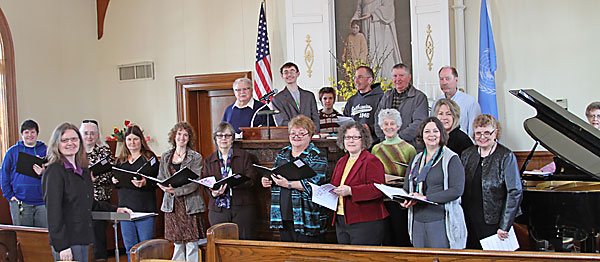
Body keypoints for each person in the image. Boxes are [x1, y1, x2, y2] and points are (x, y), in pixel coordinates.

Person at [43, 122, 131, 262]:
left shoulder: (83, 170)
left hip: (83, 236)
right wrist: (62, 246)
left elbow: (89, 202)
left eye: (74, 139)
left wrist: (116, 209)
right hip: (68, 240)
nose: (70, 143)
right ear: (56, 144)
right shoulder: (54, 171)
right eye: (65, 140)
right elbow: (53, 212)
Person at [261, 115, 328, 242]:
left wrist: (288, 184)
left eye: (301, 133)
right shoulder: (283, 153)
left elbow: (316, 185)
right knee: (288, 253)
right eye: (293, 133)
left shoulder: (316, 156)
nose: (296, 136)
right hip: (284, 212)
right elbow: (274, 173)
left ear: (310, 135)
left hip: (307, 214)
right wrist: (267, 180)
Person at [401, 117, 466, 249]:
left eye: (435, 131)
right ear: (422, 135)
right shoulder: (416, 160)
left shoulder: (451, 158)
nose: (431, 135)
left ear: (441, 134)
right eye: (427, 131)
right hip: (417, 221)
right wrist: (404, 199)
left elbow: (456, 190)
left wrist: (426, 198)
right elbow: (407, 187)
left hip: (441, 221)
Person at [461, 114, 522, 249]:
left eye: (487, 132)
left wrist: (504, 226)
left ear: (496, 133)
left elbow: (514, 192)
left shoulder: (506, 156)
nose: (482, 137)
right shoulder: (467, 154)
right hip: (469, 220)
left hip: (494, 223)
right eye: (478, 133)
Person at [331, 122, 388, 245]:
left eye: (355, 137)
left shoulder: (371, 161)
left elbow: (378, 189)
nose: (351, 141)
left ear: (363, 140)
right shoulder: (342, 161)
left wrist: (351, 191)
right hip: (341, 219)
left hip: (365, 222)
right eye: (347, 137)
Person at [157, 122, 206, 262]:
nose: (182, 138)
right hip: (171, 206)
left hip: (190, 204)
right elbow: (161, 177)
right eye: (179, 134)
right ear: (174, 136)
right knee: (177, 244)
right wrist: (164, 187)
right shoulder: (166, 156)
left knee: (191, 244)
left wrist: (176, 190)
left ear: (189, 138)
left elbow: (195, 183)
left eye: (186, 135)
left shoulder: (195, 157)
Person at [201, 122, 258, 240]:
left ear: (232, 138)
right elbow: (205, 184)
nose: (223, 139)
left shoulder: (244, 156)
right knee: (220, 244)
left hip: (242, 206)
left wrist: (234, 184)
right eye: (220, 135)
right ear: (215, 139)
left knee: (244, 242)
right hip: (218, 209)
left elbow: (252, 179)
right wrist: (213, 193)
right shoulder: (209, 160)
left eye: (227, 135)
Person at [111, 125, 158, 259]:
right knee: (129, 248)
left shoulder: (149, 158)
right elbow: (116, 182)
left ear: (141, 140)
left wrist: (145, 183)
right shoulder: (121, 160)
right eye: (129, 139)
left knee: (145, 248)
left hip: (145, 209)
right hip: (126, 209)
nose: (132, 142)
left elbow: (157, 181)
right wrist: (114, 181)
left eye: (135, 139)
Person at [371, 109, 416, 246]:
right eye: (386, 124)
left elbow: (413, 176)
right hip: (382, 199)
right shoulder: (375, 149)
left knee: (401, 237)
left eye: (392, 123)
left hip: (401, 201)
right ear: (381, 126)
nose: (389, 127)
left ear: (398, 126)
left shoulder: (409, 148)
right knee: (385, 238)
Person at [1, 119, 48, 227]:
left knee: (42, 237)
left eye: (32, 132)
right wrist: (9, 195)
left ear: (37, 133)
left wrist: (43, 172)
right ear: (22, 134)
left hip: (42, 202)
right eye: (26, 132)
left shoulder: (46, 150)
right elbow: (4, 174)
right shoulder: (12, 152)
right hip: (20, 201)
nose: (29, 135)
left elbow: (54, 174)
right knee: (23, 237)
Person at [79, 119, 114, 261]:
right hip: (80, 200)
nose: (89, 137)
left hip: (100, 199)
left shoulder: (104, 151)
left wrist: (95, 180)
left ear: (98, 134)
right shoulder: (76, 151)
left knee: (98, 234)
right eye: (86, 133)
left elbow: (110, 173)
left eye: (92, 133)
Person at [374, 64, 428, 148]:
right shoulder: (387, 96)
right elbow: (378, 119)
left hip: (411, 147)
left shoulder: (419, 97)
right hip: (387, 147)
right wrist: (386, 139)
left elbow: (419, 123)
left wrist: (397, 139)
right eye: (395, 76)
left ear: (409, 77)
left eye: (401, 76)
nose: (398, 79)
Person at [351, 0, 402, 80]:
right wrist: (355, 18)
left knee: (380, 51)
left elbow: (388, 8)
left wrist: (372, 14)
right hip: (366, 24)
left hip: (380, 25)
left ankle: (382, 80)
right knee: (368, 52)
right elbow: (359, 9)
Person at [430, 66, 481, 137]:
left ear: (456, 80)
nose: (444, 82)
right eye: (441, 79)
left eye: (447, 79)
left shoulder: (470, 102)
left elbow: (474, 132)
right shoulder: (436, 103)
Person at [271, 62, 320, 132]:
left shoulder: (309, 96)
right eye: (286, 72)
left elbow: (315, 119)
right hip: (291, 137)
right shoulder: (277, 99)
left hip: (310, 136)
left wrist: (313, 134)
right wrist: (299, 133)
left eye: (292, 71)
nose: (289, 74)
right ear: (282, 76)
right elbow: (282, 122)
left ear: (298, 74)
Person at [343, 66, 384, 143]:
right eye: (355, 78)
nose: (356, 81)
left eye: (360, 77)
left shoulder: (381, 98)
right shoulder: (351, 100)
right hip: (354, 144)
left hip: (374, 144)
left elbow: (385, 122)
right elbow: (345, 119)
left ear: (370, 80)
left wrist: (370, 128)